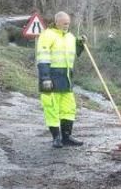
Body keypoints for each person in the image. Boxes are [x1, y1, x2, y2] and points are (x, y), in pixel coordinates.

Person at [36, 11, 86, 148]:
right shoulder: (47, 35)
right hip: (50, 77)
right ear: (56, 22)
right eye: (64, 23)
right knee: (51, 107)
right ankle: (56, 138)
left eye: (68, 23)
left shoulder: (70, 37)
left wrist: (80, 44)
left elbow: (75, 53)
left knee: (69, 108)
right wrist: (45, 78)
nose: (66, 25)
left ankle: (66, 137)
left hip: (66, 78)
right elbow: (42, 58)